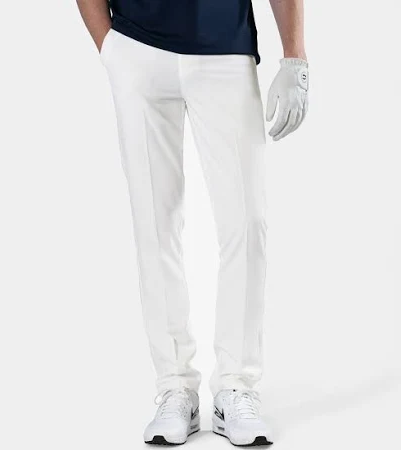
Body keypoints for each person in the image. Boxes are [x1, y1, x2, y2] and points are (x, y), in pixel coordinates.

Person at [76, 0, 308, 446]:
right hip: (138, 49)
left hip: (224, 48)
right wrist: (110, 48)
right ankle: (175, 385)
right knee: (154, 223)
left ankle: (236, 385)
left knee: (247, 222)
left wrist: (294, 56)